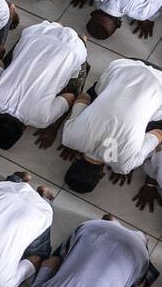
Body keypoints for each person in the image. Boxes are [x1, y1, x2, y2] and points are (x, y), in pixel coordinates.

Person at [23, 218, 153, 287]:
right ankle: (111, 223)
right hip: (93, 228)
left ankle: (141, 237)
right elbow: (51, 261)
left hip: (137, 250)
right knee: (60, 259)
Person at [59, 58, 162, 194]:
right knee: (93, 98)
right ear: (74, 160)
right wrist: (78, 139)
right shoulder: (69, 138)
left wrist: (126, 157)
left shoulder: (125, 166)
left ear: (101, 175)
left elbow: (158, 134)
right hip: (124, 65)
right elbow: (83, 97)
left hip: (159, 82)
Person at [0, 21, 88, 150]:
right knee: (13, 61)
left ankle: (82, 41)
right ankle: (56, 25)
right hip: (37, 34)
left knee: (74, 88)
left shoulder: (41, 120)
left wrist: (52, 128)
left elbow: (70, 96)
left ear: (23, 129)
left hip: (72, 48)